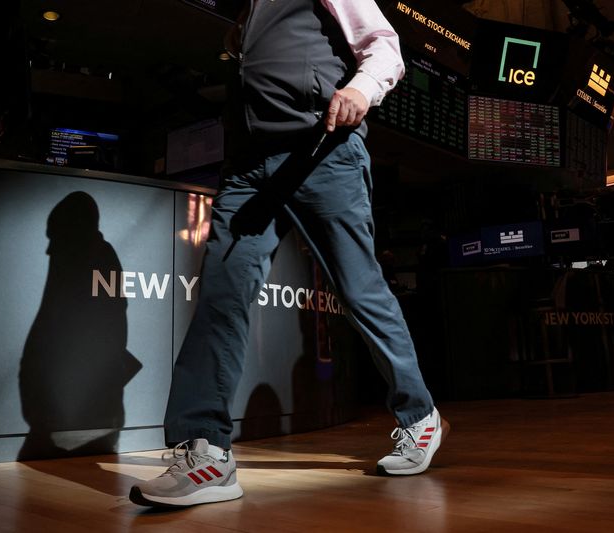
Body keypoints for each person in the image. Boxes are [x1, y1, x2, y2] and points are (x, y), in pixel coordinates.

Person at [129, 0, 447, 508]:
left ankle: (419, 415)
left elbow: (385, 47)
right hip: (249, 171)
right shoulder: (247, 15)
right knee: (220, 299)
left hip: (323, 152)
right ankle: (206, 452)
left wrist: (361, 90)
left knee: (360, 291)